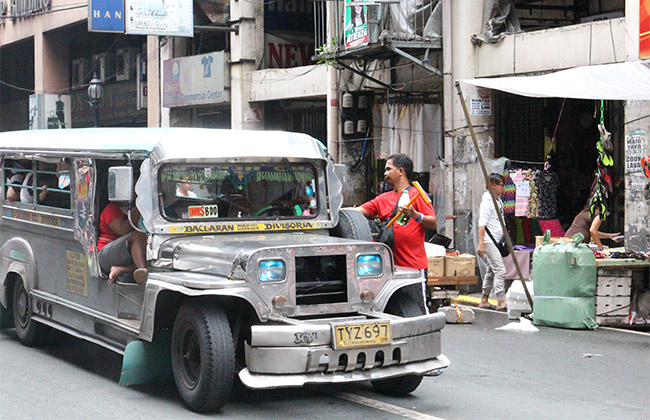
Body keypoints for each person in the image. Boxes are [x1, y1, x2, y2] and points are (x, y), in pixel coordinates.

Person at [354, 154, 437, 311]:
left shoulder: (418, 194)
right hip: (388, 270)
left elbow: (433, 222)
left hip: (412, 268)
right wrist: (332, 212)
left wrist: (415, 215)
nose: (385, 173)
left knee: (416, 312)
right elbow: (359, 211)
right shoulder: (382, 198)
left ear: (400, 171)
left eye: (388, 169)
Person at [477, 173, 507, 311]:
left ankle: (484, 299)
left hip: (496, 241)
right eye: (501, 185)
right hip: (489, 241)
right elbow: (482, 224)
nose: (503, 188)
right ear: (493, 185)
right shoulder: (487, 202)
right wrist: (481, 243)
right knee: (500, 270)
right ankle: (501, 300)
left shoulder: (498, 201)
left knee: (491, 271)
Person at [97, 202, 147, 284]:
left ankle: (122, 269)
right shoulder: (111, 209)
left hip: (127, 252)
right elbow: (122, 229)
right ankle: (144, 272)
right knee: (137, 235)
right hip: (105, 253)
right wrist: (139, 210)